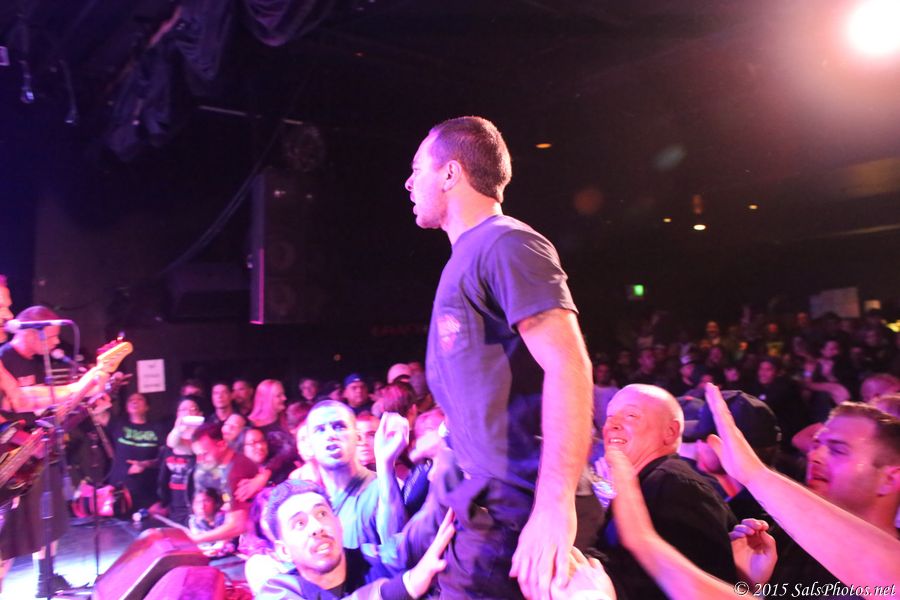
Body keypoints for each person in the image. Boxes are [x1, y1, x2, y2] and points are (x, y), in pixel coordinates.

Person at [405, 116, 593, 599]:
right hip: (489, 502)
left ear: (450, 173)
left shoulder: (506, 242)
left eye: (417, 169)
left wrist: (554, 508)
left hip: (519, 508)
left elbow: (568, 365)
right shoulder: (468, 256)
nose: (408, 183)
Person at [0, 305, 110, 596]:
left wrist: (87, 400)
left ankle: (46, 580)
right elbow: (21, 400)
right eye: (50, 336)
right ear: (31, 333)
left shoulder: (39, 364)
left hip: (31, 456)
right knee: (7, 540)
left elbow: (45, 409)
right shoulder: (5, 358)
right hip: (9, 459)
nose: (8, 315)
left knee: (48, 521)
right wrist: (82, 385)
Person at [598, 384, 737, 600]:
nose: (611, 425)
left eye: (631, 415)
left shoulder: (678, 488)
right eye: (609, 417)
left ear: (670, 432)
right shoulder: (639, 483)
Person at [258, 479, 455, 600]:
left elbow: (416, 536)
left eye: (322, 514)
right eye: (299, 523)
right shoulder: (277, 592)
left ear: (339, 524)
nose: (316, 527)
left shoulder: (373, 560)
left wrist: (446, 463)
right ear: (284, 551)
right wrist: (407, 585)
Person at [189, 423, 259, 545]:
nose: (200, 460)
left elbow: (238, 525)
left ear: (221, 445)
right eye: (198, 455)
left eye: (204, 453)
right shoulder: (229, 467)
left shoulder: (236, 472)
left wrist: (195, 539)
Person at [107, 392, 166, 510]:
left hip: (147, 490)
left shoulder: (157, 429)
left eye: (139, 399)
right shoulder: (119, 425)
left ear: (147, 407)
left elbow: (164, 459)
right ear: (126, 407)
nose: (134, 402)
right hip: (119, 490)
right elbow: (98, 414)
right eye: (131, 400)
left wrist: (145, 464)